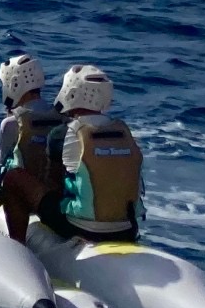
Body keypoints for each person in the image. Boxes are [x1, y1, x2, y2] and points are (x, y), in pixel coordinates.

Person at [35, 64, 144, 243]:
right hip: (127, 228)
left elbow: (51, 182)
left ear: (71, 93)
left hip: (82, 227)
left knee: (16, 180)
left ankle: (20, 247)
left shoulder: (63, 133)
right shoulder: (124, 131)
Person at [0, 52, 69, 243]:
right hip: (54, 196)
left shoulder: (12, 123)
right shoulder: (64, 120)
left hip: (24, 199)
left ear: (14, 84)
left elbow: (0, 169)